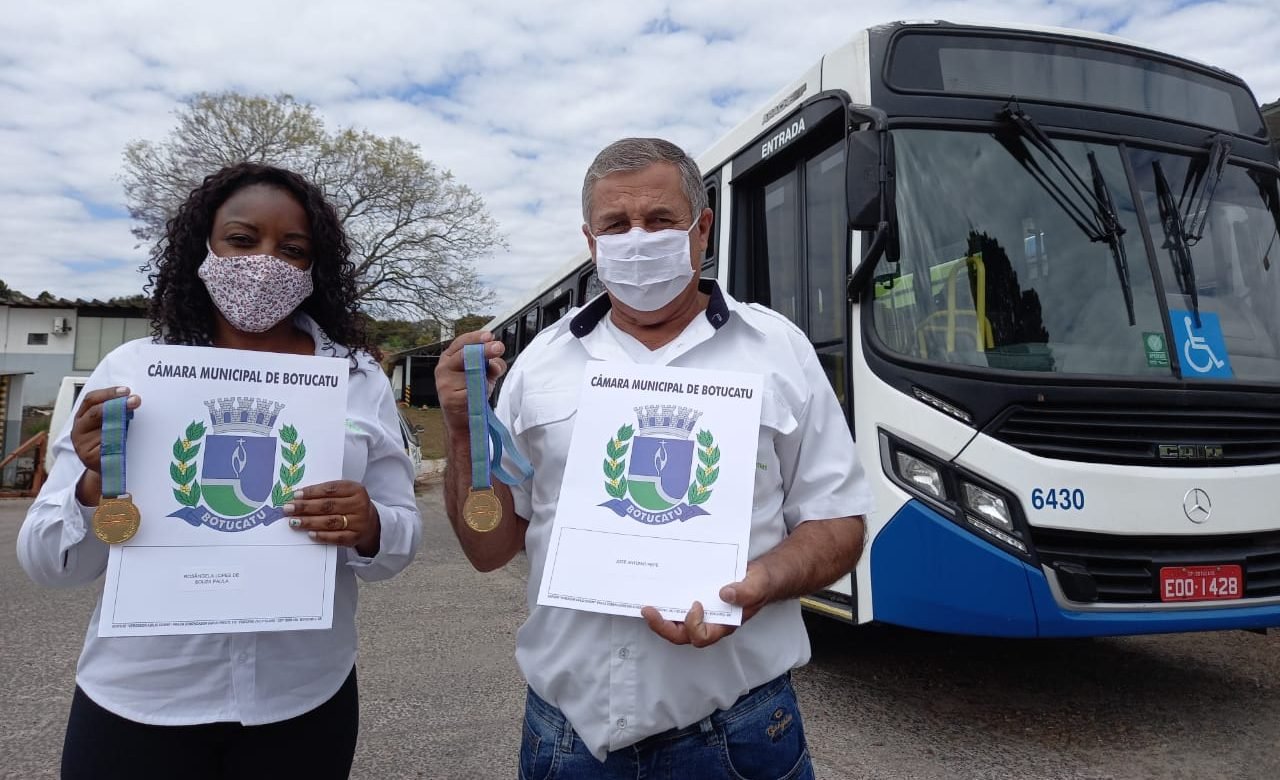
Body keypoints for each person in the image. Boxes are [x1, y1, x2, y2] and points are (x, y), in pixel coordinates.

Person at [435, 138, 873, 778]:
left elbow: (838, 524)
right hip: (566, 740)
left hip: (739, 733)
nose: (637, 238)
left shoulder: (779, 350)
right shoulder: (539, 365)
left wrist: (760, 586)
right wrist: (462, 429)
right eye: (617, 225)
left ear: (703, 228)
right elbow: (488, 548)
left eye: (660, 220)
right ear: (591, 242)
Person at [17, 162, 421, 780]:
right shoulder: (133, 372)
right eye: (241, 239)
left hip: (303, 702)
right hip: (139, 702)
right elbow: (51, 564)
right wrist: (95, 488)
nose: (265, 262)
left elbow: (398, 544)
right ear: (202, 246)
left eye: (293, 249)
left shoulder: (358, 380)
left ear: (316, 269)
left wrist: (370, 526)